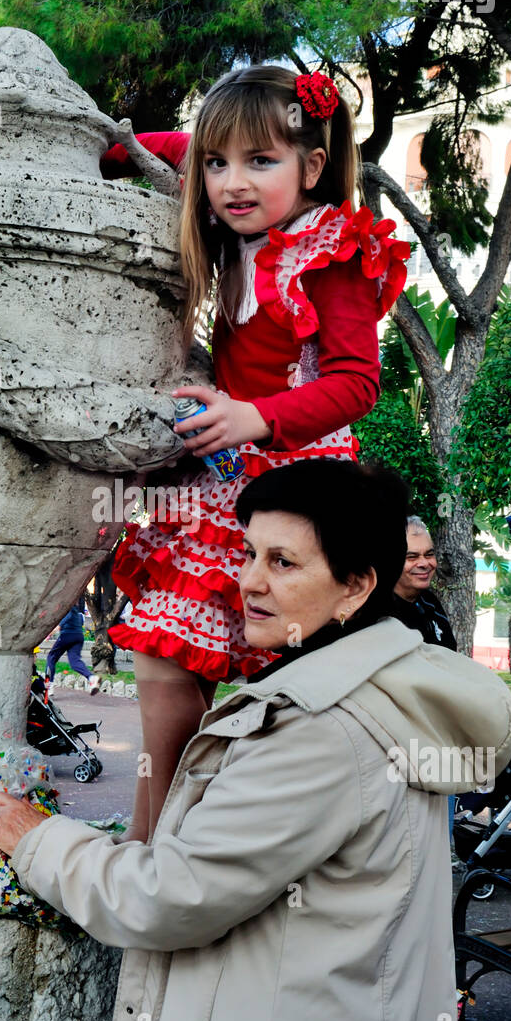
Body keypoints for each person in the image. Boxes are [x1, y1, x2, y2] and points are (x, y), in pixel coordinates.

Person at [0, 459, 511, 1021]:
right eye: (247, 554)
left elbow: (168, 895)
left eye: (282, 562)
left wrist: (37, 839)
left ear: (355, 585)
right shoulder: (390, 692)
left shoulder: (320, 729)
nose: (249, 581)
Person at [100, 65, 409, 840]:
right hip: (224, 484)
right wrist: (95, 139)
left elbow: (355, 383)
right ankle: (150, 850)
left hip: (302, 493)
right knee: (163, 669)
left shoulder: (331, 248)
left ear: (310, 166)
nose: (231, 183)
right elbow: (161, 148)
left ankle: (206, 852)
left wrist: (256, 418)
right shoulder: (240, 224)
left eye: (259, 162)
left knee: (283, 688)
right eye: (217, 164)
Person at [390, 516, 457, 650]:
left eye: (429, 554)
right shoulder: (376, 611)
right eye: (411, 557)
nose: (424, 563)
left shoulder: (430, 603)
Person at [45, 596, 99, 695]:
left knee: (51, 657)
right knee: (74, 662)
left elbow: (67, 616)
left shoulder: (67, 605)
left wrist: (58, 627)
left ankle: (49, 686)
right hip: (78, 636)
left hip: (67, 636)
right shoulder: (75, 608)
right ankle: (91, 678)